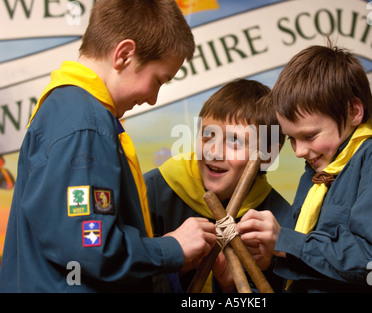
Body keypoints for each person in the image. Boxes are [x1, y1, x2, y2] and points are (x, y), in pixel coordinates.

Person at [0, 0, 217, 293]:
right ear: (125, 55)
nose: (153, 98)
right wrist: (171, 248)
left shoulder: (70, 110)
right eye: (158, 80)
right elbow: (89, 245)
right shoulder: (84, 123)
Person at [237, 43, 372, 292]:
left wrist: (284, 241)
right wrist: (273, 256)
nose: (299, 151)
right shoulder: (318, 172)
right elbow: (314, 264)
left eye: (309, 136)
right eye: (291, 139)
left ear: (353, 111)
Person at [144, 79, 290, 292]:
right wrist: (170, 260)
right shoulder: (151, 192)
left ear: (270, 154)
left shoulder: (280, 220)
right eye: (207, 135)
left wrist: (233, 284)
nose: (214, 151)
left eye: (235, 141)